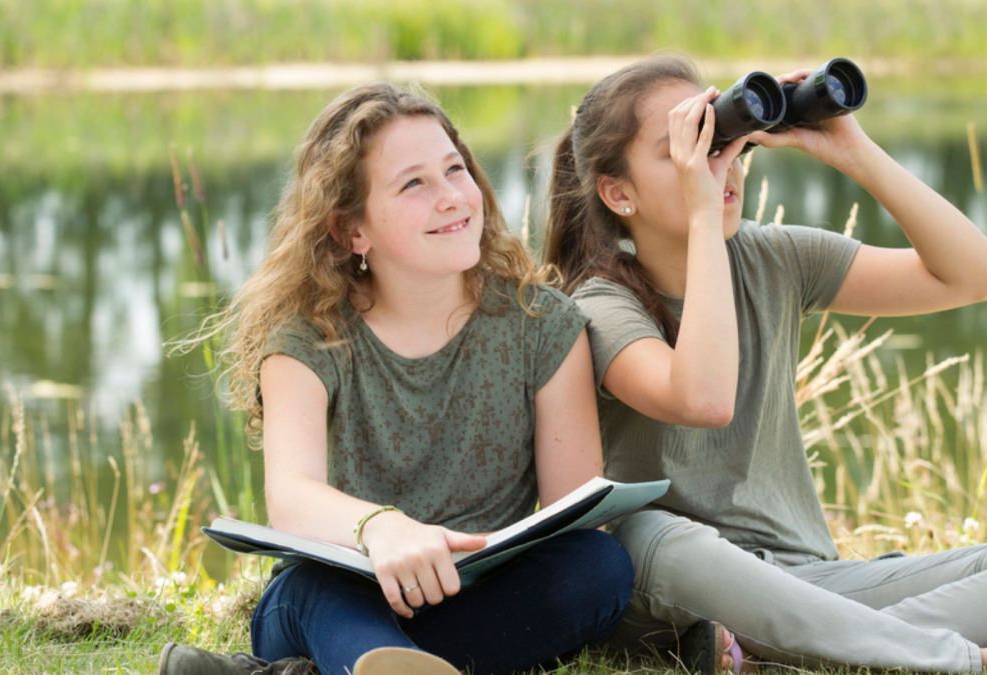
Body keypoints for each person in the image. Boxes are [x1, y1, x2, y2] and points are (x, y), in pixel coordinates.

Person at [543, 54, 987, 675]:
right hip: (676, 586)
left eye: (721, 136)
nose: (718, 164)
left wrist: (853, 150)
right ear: (618, 193)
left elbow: (977, 276)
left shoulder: (775, 258)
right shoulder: (598, 304)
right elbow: (704, 399)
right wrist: (705, 216)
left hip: (807, 576)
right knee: (653, 535)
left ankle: (778, 652)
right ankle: (972, 662)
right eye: (685, 147)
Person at [161, 82, 633, 675]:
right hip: (337, 598)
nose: (451, 197)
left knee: (599, 565)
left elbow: (572, 514)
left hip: (473, 600)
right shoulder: (306, 339)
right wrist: (381, 529)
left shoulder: (545, 326)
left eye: (454, 169)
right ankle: (375, 660)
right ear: (350, 231)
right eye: (414, 183)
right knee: (313, 590)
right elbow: (290, 496)